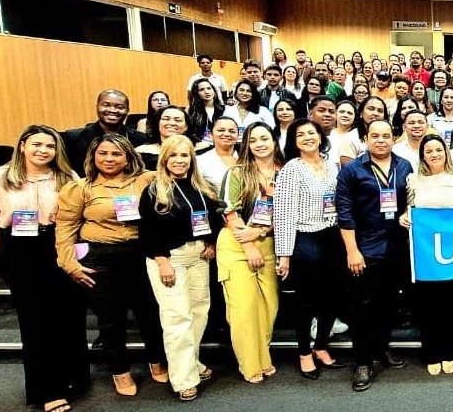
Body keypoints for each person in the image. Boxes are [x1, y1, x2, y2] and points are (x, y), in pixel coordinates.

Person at [0, 125, 88, 412]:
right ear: (23, 145)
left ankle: (73, 379)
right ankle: (47, 391)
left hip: (58, 246)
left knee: (69, 316)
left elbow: (81, 214)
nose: (43, 150)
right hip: (19, 250)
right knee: (35, 320)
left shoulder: (67, 176)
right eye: (37, 144)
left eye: (50, 146)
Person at [55, 134, 167, 396]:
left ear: (128, 157)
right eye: (103, 153)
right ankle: (120, 371)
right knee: (110, 320)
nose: (109, 159)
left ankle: (158, 361)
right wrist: (69, 264)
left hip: (142, 255)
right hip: (101, 257)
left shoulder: (147, 180)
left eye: (116, 154)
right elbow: (65, 228)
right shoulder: (81, 187)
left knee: (150, 315)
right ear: (93, 156)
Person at [138, 135, 221, 401]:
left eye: (184, 155)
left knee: (199, 313)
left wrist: (211, 242)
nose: (179, 160)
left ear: (191, 159)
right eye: (173, 155)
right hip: (169, 259)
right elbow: (147, 231)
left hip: (199, 256)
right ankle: (183, 379)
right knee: (177, 319)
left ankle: (191, 363)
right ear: (164, 159)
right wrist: (162, 261)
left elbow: (213, 219)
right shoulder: (154, 191)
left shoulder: (202, 187)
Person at [336, 120, 414, 391]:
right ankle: (363, 362)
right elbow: (344, 213)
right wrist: (352, 250)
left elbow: (410, 201)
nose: (381, 140)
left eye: (386, 136)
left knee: (387, 304)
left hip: (396, 248)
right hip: (365, 248)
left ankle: (382, 349)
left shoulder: (404, 166)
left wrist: (404, 213)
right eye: (375, 136)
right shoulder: (352, 170)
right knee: (363, 308)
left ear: (393, 138)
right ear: (366, 139)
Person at [272, 119, 345, 380]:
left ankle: (321, 346)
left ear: (320, 136)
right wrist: (284, 255)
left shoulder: (331, 165)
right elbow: (283, 214)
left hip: (333, 235)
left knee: (333, 297)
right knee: (307, 301)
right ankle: (304, 352)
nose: (307, 137)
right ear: (293, 141)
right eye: (300, 134)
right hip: (306, 239)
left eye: (311, 133)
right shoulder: (292, 169)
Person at [399, 135, 453, 375]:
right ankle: (431, 352)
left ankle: (449, 351)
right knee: (428, 305)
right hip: (427, 255)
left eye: (439, 150)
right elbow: (409, 209)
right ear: (422, 155)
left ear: (446, 152)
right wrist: (404, 217)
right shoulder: (413, 180)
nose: (434, 154)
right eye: (429, 151)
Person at [217, 122, 281, 384]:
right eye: (253, 140)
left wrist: (262, 233)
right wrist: (249, 244)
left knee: (268, 306)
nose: (259, 144)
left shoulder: (284, 172)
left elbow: (290, 213)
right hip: (236, 243)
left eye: (264, 138)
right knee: (243, 308)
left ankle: (263, 358)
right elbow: (228, 210)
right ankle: (250, 364)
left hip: (269, 242)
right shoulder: (237, 172)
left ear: (274, 141)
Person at [62, 90, 149, 169]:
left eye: (119, 107)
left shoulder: (140, 139)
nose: (112, 110)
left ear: (127, 110)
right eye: (106, 105)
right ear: (97, 107)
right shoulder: (74, 138)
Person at [196, 116, 238, 194]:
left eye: (232, 131)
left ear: (237, 136)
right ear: (211, 135)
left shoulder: (247, 159)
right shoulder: (200, 161)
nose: (227, 134)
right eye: (221, 130)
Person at [187, 79, 225, 143]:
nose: (206, 92)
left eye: (209, 88)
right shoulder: (191, 109)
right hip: (199, 145)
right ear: (196, 93)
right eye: (201, 90)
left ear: (214, 90)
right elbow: (189, 131)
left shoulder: (223, 109)